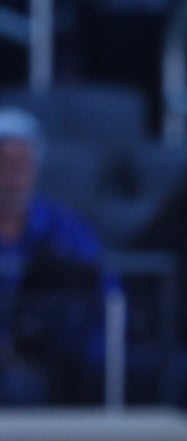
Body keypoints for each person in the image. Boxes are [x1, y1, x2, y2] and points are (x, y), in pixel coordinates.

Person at [0, 106, 109, 405]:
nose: (13, 175)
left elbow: (105, 286)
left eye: (22, 164)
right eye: (4, 163)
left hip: (51, 365)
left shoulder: (62, 225)